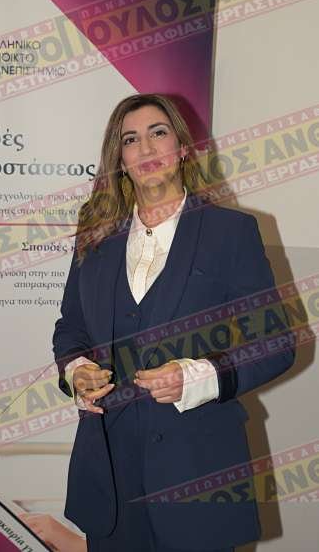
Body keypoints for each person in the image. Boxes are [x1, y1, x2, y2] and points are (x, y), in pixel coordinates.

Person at [52, 93, 295, 552]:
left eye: (157, 133)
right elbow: (71, 327)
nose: (145, 148)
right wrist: (76, 370)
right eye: (130, 140)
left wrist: (197, 377)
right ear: (119, 159)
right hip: (110, 476)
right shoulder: (96, 233)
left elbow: (277, 343)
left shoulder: (231, 232)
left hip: (199, 473)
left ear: (182, 148)